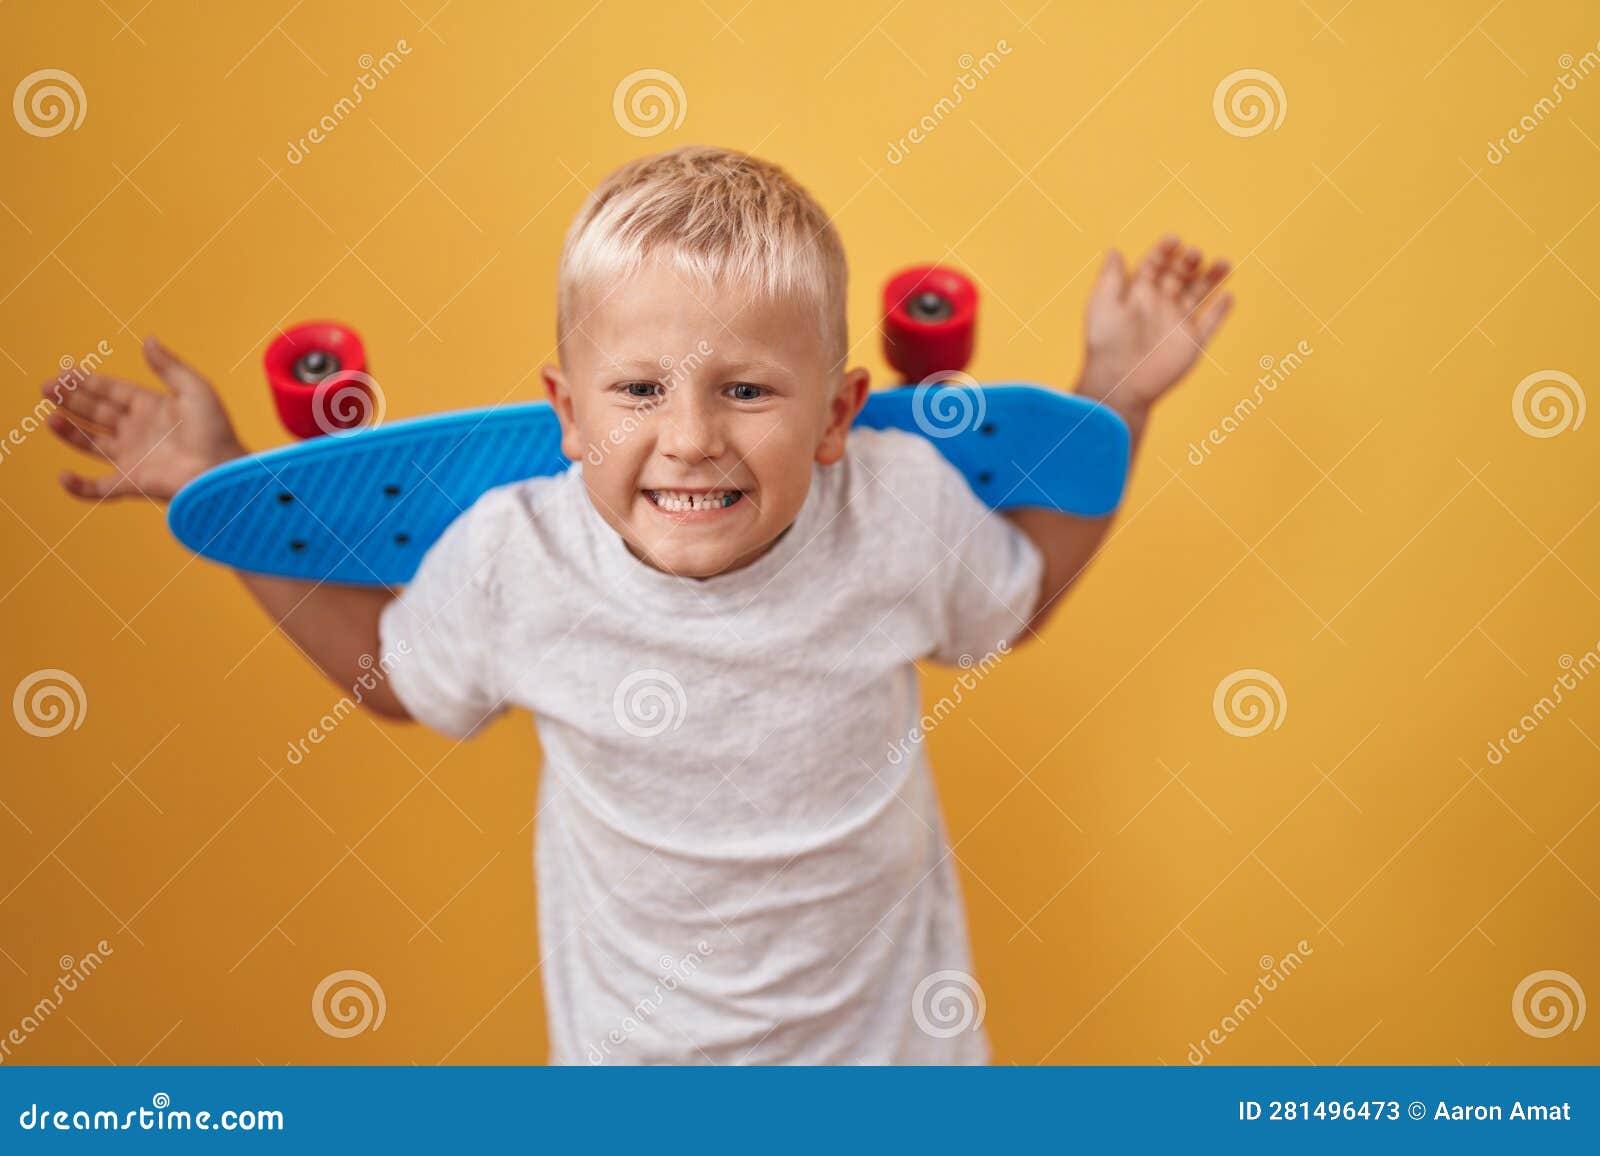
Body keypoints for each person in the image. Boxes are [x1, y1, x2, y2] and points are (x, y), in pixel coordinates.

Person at [42, 145, 1232, 1063]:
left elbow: (1009, 602)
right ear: (566, 412)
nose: (690, 439)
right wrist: (228, 494)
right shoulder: (518, 555)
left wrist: (1115, 395)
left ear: (835, 415)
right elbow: (394, 677)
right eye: (639, 388)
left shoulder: (897, 507)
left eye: (749, 388)